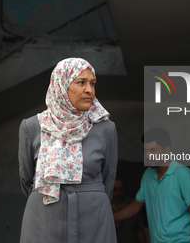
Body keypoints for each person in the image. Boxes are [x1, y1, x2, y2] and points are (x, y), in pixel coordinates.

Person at [18, 57, 118, 243]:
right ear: (61, 85)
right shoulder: (32, 127)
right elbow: (27, 179)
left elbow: (108, 178)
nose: (89, 89)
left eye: (92, 83)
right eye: (81, 82)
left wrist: (90, 195)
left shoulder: (106, 128)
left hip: (94, 217)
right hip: (44, 216)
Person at [114, 127, 190, 243]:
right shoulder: (148, 174)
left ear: (166, 150)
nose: (147, 155)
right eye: (145, 151)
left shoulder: (183, 174)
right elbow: (136, 205)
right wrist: (111, 217)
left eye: (152, 150)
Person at [111, 177, 146, 243]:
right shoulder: (103, 207)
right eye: (114, 189)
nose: (118, 193)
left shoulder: (133, 204)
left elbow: (140, 231)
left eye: (120, 189)